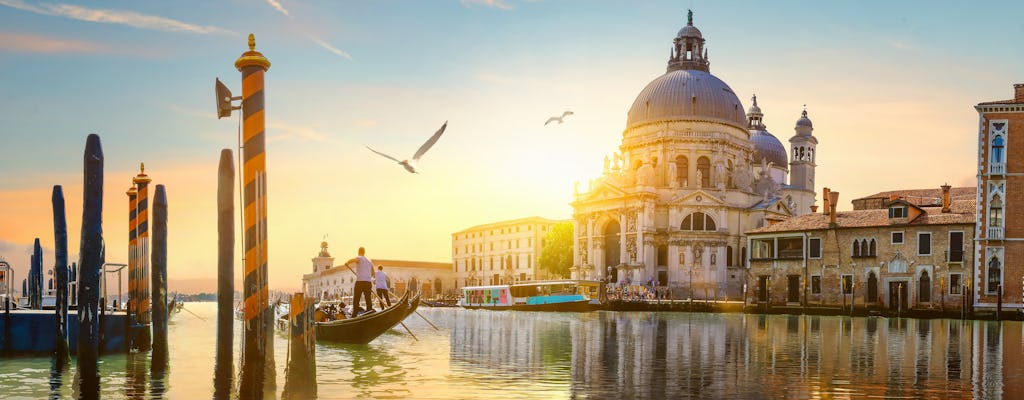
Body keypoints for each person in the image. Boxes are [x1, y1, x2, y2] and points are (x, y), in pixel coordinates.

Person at [346, 247, 375, 315]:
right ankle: (369, 311)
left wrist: (347, 262)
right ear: (364, 252)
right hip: (368, 282)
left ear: (359, 252)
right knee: (368, 298)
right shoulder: (369, 261)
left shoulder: (359, 258)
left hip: (360, 281)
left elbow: (354, 260)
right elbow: (373, 273)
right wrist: (367, 277)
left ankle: (354, 314)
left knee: (357, 298)